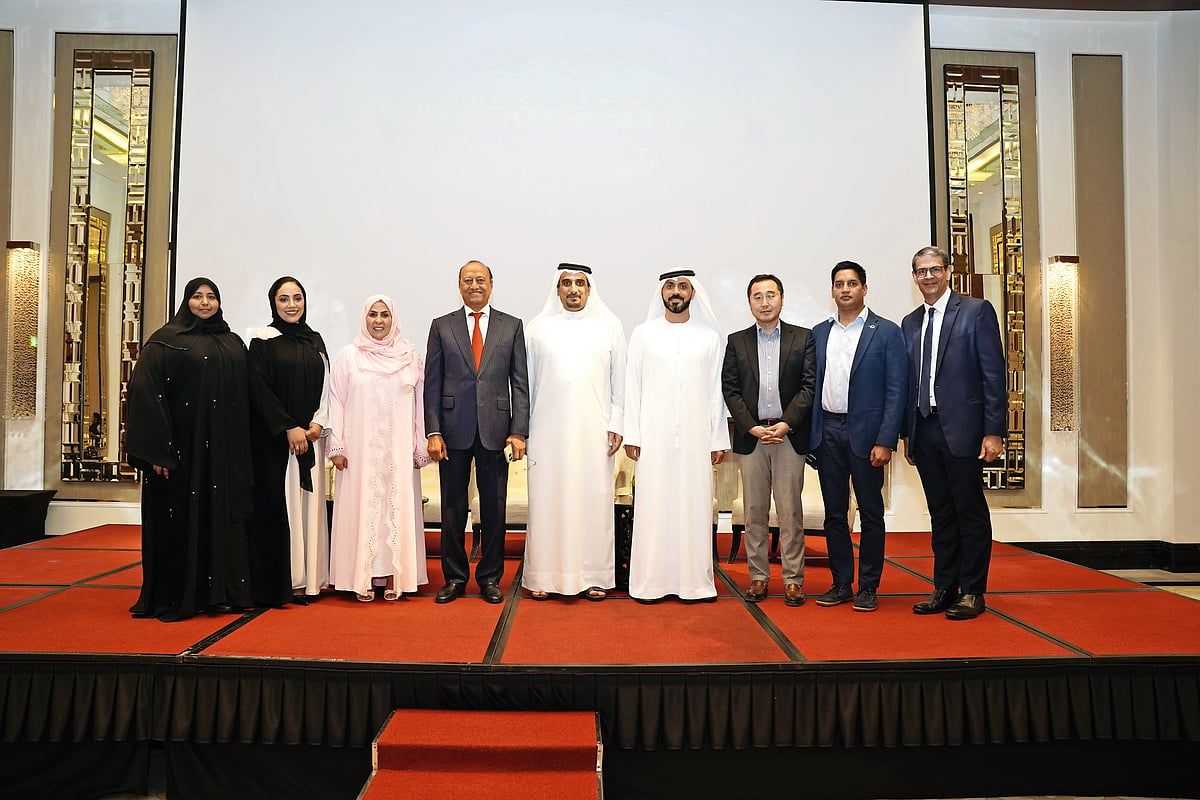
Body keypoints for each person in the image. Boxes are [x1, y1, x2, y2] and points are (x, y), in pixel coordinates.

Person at [126, 277, 255, 621]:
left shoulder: (231, 341)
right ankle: (179, 594)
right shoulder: (166, 341)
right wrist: (157, 451)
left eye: (212, 296)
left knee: (221, 519)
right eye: (197, 296)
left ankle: (221, 594)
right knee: (182, 521)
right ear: (186, 302)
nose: (205, 302)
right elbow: (145, 393)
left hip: (223, 454)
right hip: (182, 454)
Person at [902, 246, 1006, 620]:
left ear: (948, 272)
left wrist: (993, 432)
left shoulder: (976, 312)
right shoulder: (910, 322)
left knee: (969, 512)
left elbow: (994, 375)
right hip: (925, 430)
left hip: (965, 431)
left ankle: (973, 590)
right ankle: (945, 587)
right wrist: (908, 434)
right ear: (914, 277)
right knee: (941, 513)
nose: (928, 277)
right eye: (921, 271)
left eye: (934, 269)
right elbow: (908, 382)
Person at [424, 261, 530, 604]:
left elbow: (520, 383)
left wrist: (518, 431)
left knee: (494, 509)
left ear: (491, 284)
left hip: (496, 432)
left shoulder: (511, 326)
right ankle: (454, 578)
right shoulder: (442, 326)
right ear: (459, 286)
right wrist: (433, 430)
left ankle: (490, 578)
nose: (474, 285)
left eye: (480, 280)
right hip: (452, 431)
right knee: (453, 509)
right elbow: (432, 384)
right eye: (467, 280)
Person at [623, 269, 730, 603]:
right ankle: (650, 583)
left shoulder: (709, 338)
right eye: (670, 286)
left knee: (693, 508)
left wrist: (717, 439)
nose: (676, 291)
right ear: (662, 293)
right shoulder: (643, 335)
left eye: (683, 286)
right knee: (653, 508)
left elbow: (716, 394)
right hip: (652, 439)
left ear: (693, 293)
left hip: (697, 440)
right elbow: (633, 387)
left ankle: (694, 584)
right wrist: (632, 434)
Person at [523, 264, 626, 600]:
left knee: (592, 502)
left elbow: (620, 383)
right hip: (546, 433)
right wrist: (523, 430)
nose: (573, 289)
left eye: (580, 283)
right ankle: (543, 576)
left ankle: (595, 576)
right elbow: (526, 385)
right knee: (548, 502)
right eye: (566, 283)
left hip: (594, 433)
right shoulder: (538, 329)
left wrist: (616, 424)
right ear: (557, 289)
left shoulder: (610, 326)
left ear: (589, 288)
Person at [810, 261, 907, 612]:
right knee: (834, 513)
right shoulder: (819, 333)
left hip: (868, 436)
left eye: (852, 283)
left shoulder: (887, 332)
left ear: (864, 289)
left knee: (871, 511)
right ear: (832, 291)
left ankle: (868, 586)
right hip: (828, 431)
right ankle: (840, 583)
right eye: (839, 284)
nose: (845, 289)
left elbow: (896, 390)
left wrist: (886, 440)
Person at [721, 273, 815, 607]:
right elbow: (730, 390)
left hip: (789, 436)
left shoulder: (803, 338)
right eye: (757, 296)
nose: (765, 302)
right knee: (755, 512)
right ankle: (758, 577)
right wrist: (751, 427)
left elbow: (808, 387)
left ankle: (793, 580)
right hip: (753, 438)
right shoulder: (737, 341)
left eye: (770, 295)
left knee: (790, 512)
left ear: (782, 298)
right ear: (749, 302)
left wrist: (787, 424)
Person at [327, 295, 429, 601]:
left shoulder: (409, 356)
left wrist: (419, 444)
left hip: (398, 450)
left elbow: (420, 405)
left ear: (394, 319)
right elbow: (336, 401)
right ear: (364, 318)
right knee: (363, 506)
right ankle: (362, 576)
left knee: (395, 507)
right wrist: (337, 445)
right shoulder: (349, 356)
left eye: (385, 315)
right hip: (360, 451)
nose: (379, 320)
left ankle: (397, 576)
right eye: (373, 314)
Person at [248, 276, 331, 606]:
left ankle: (312, 580)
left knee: (310, 508)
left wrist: (318, 422)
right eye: (284, 299)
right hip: (277, 446)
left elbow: (327, 385)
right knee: (285, 508)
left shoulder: (315, 340)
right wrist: (288, 427)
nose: (292, 305)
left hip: (312, 439)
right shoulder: (262, 339)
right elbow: (259, 388)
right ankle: (289, 580)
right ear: (273, 303)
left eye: (297, 298)